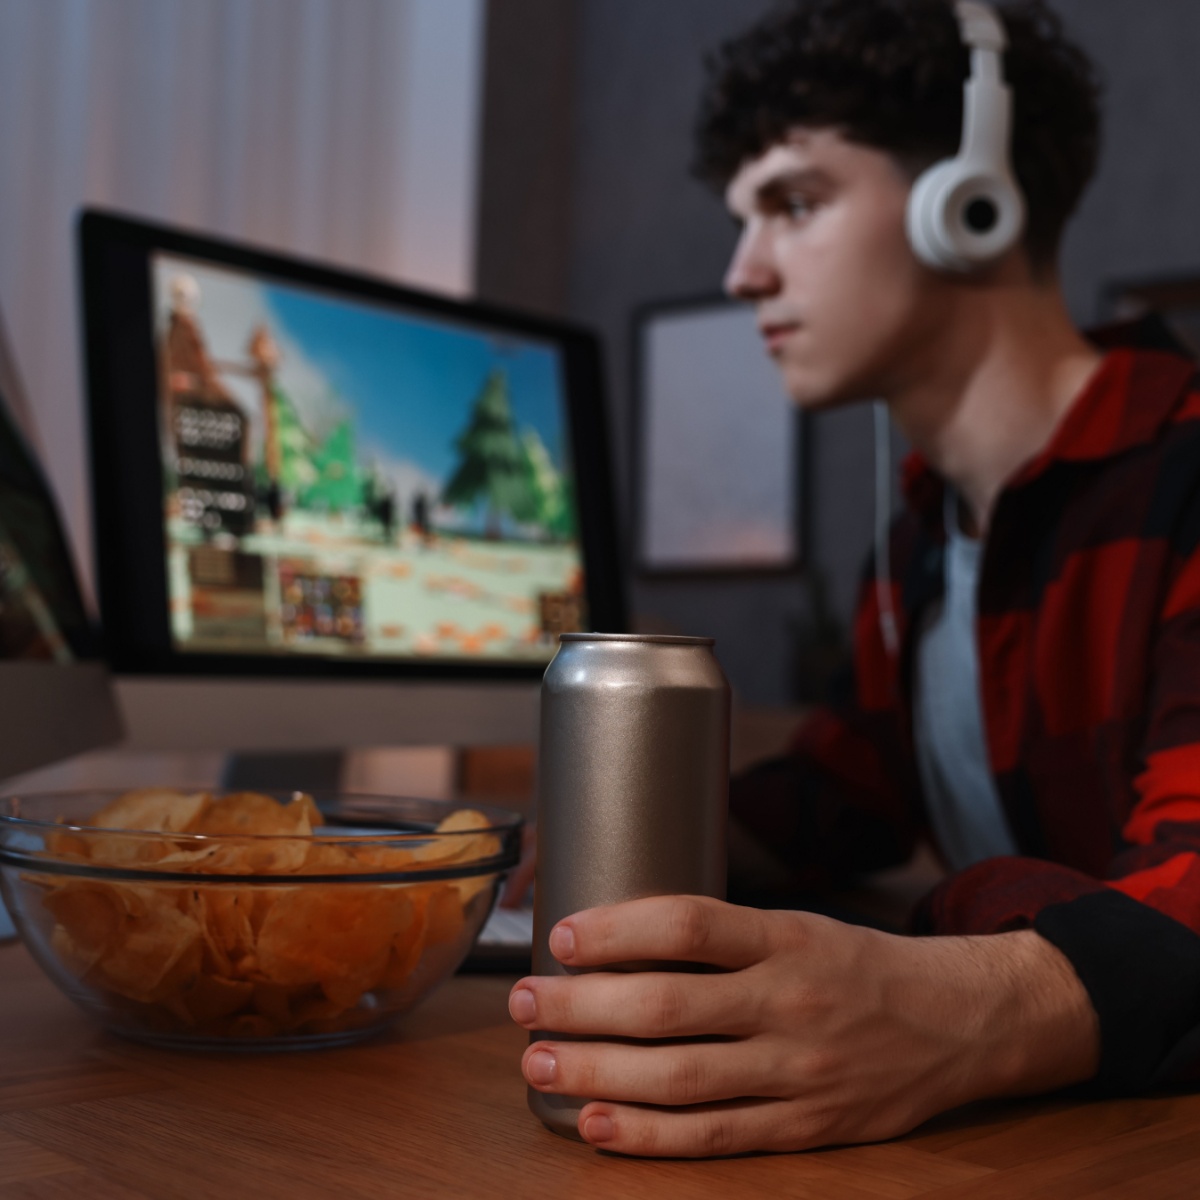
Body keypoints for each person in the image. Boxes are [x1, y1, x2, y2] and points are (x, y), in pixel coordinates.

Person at [506, 0, 1200, 1158]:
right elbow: (844, 797)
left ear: (970, 209)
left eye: (794, 201)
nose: (740, 273)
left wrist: (968, 1002)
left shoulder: (1183, 479)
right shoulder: (922, 547)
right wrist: (602, 832)